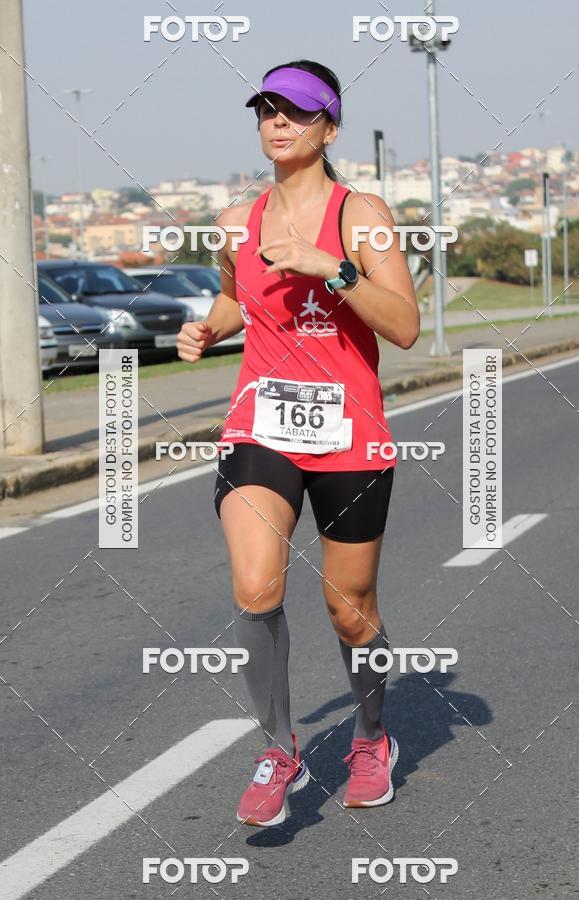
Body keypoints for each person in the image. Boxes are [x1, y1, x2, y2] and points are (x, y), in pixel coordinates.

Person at [176, 59, 419, 827]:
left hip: (350, 434)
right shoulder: (235, 223)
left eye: (297, 112)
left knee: (351, 612)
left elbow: (405, 327)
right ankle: (278, 751)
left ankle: (372, 737)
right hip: (261, 426)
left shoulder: (362, 213)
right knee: (256, 587)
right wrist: (208, 326)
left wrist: (334, 268)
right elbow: (232, 295)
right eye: (267, 111)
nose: (278, 123)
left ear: (330, 128)